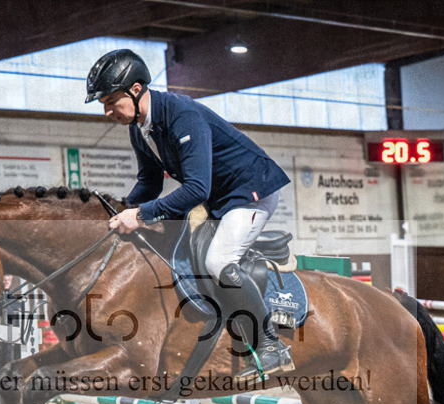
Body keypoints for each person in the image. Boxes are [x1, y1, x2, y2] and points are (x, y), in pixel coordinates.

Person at [85, 48, 294, 378]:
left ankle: (270, 345)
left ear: (136, 90)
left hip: (252, 190)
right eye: (104, 105)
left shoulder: (182, 115)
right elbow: (149, 181)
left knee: (218, 261)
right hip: (221, 199)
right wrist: (122, 210)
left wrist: (140, 215)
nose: (108, 111)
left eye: (111, 101)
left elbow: (197, 190)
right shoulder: (140, 128)